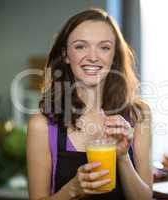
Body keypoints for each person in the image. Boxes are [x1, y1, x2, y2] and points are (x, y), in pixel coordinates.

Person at [27, 8, 153, 200]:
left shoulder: (138, 114)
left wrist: (122, 156)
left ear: (114, 56)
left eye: (104, 47)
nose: (93, 57)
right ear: (66, 54)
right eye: (81, 46)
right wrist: (73, 190)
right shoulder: (42, 125)